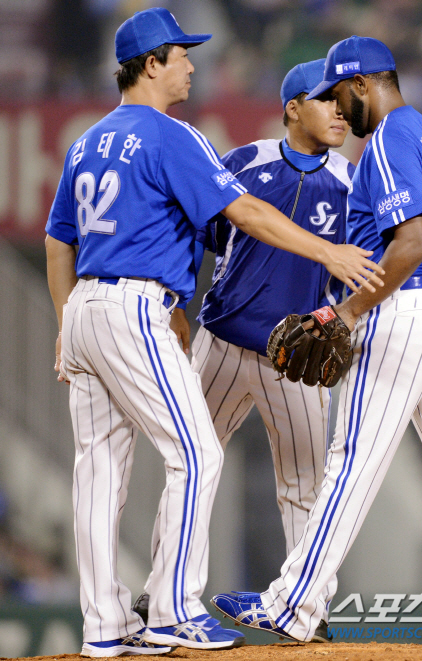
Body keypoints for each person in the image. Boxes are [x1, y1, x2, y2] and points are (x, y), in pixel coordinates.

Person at [45, 11, 384, 656]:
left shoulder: (86, 140)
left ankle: (105, 626)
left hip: (87, 307)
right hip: (139, 308)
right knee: (198, 454)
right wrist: (328, 253)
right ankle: (173, 611)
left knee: (99, 473)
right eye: (181, 56)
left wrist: (65, 323)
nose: (192, 66)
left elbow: (59, 240)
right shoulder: (175, 135)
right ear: (152, 64)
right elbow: (243, 213)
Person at [212, 36, 422, 645]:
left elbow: (411, 242)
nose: (337, 107)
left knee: (351, 460)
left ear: (363, 84)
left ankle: (293, 604)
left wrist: (347, 313)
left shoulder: (388, 139)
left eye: (339, 93)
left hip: (405, 309)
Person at [132, 58, 356, 643]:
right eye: (325, 100)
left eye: (342, 103)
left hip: (297, 357)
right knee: (189, 465)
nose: (339, 112)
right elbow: (195, 232)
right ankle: (162, 592)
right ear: (292, 108)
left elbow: (366, 266)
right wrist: (177, 301)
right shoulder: (244, 162)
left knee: (305, 484)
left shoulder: (351, 181)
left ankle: (308, 606)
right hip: (224, 341)